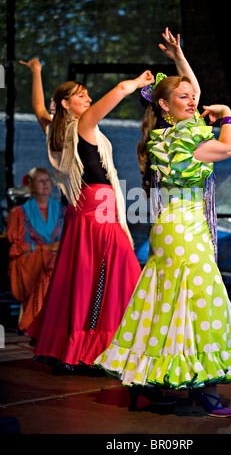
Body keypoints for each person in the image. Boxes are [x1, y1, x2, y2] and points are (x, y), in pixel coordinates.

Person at [94, 28, 231, 416]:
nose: (193, 100)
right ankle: (200, 388)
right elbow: (226, 147)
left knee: (166, 305)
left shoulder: (165, 136)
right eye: (184, 98)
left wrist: (178, 56)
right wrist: (226, 114)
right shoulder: (178, 140)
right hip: (184, 232)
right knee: (198, 307)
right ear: (163, 104)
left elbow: (190, 88)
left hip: (175, 229)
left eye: (194, 97)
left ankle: (144, 381)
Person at [20, 56, 155, 373]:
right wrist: (137, 83)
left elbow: (40, 108)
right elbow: (121, 88)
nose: (89, 99)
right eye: (82, 95)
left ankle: (80, 347)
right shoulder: (82, 125)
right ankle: (103, 348)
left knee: (83, 279)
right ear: (66, 104)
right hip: (99, 209)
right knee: (118, 277)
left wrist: (37, 72)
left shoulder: (56, 130)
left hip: (80, 210)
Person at [7, 167, 65, 333]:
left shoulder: (62, 211)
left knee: (58, 263)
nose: (45, 184)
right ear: (32, 186)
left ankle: (48, 321)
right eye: (40, 181)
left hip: (55, 258)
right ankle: (36, 322)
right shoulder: (19, 213)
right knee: (51, 262)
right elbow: (17, 247)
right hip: (30, 260)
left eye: (47, 180)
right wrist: (45, 247)